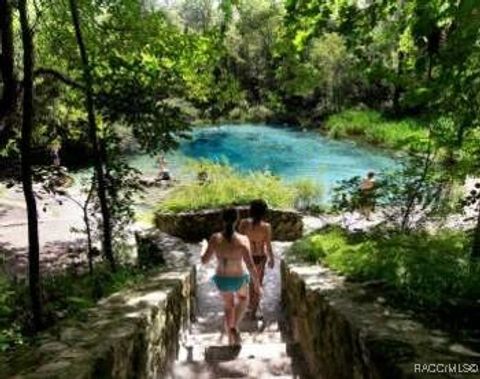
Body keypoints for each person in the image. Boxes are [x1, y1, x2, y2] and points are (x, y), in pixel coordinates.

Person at [201, 208, 261, 345]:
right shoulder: (243, 240)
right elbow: (251, 265)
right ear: (237, 220)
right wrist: (257, 284)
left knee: (229, 305)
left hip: (222, 279)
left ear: (222, 220)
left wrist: (203, 247)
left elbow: (204, 260)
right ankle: (234, 326)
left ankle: (230, 336)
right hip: (239, 277)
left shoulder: (215, 239)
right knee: (243, 300)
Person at [238, 199, 274, 319]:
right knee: (257, 283)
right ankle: (254, 309)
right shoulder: (266, 227)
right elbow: (268, 245)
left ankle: (250, 307)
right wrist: (272, 259)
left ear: (251, 211)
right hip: (260, 257)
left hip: (247, 257)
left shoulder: (243, 223)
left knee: (249, 283)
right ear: (264, 212)